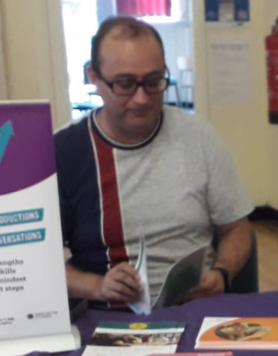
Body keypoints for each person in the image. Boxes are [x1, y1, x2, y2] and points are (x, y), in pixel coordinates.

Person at [56, 16, 255, 310]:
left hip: (195, 311)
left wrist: (222, 273)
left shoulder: (198, 135)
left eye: (153, 82)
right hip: (107, 317)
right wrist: (97, 287)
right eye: (125, 84)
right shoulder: (65, 150)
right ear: (94, 77)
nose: (141, 98)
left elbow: (236, 229)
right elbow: (34, 264)